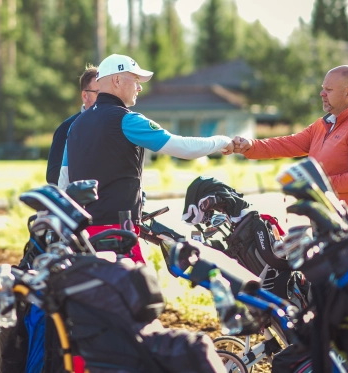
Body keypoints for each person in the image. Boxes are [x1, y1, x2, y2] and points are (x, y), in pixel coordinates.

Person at [59, 53, 235, 263]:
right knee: (139, 292)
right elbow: (184, 148)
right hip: (118, 233)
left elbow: (64, 182)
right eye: (135, 80)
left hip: (83, 236)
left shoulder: (76, 125)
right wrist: (223, 141)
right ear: (116, 80)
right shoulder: (127, 120)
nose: (140, 88)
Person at [232, 65, 348, 228]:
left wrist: (315, 185)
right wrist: (250, 146)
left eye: (329, 89)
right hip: (328, 227)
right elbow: (288, 144)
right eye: (323, 89)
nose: (322, 94)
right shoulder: (323, 124)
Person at [46, 66, 99, 185]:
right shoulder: (67, 127)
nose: (105, 98)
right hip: (78, 200)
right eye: (99, 93)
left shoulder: (114, 125)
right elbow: (53, 175)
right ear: (85, 96)